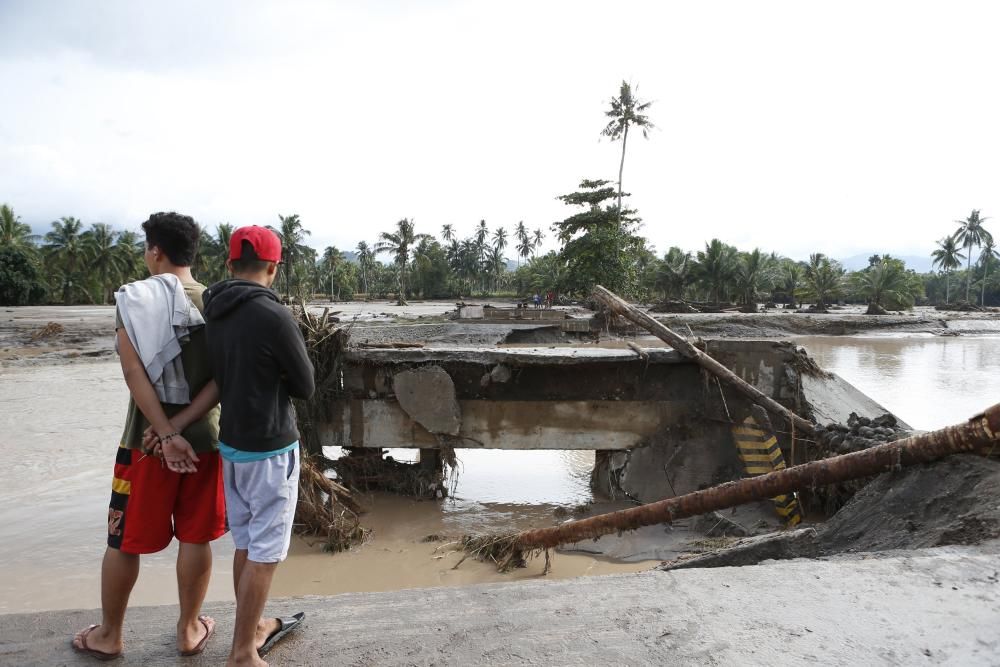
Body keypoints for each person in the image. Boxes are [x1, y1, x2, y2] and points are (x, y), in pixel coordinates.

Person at [72, 212, 226, 660]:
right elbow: (222, 378)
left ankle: (110, 635)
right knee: (197, 538)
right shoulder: (216, 301)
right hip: (205, 444)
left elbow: (132, 371)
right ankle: (188, 630)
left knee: (124, 539)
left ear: (155, 251)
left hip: (144, 445)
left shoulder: (134, 300)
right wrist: (180, 428)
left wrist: (162, 431)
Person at [203, 226, 314, 667]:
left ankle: (254, 628)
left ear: (230, 265)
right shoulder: (274, 316)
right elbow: (305, 385)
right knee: (265, 556)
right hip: (271, 449)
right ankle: (242, 654)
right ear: (273, 268)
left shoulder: (215, 309)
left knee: (247, 547)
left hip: (230, 445)